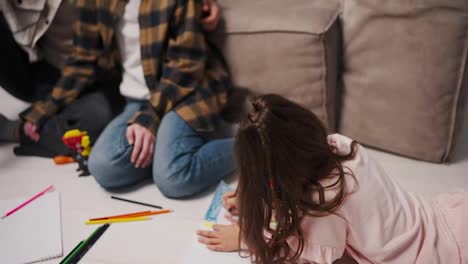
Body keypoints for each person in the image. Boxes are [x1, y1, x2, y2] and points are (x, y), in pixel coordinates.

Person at [197, 94, 468, 264]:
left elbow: (303, 252)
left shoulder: (323, 204)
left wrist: (250, 236)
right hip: (440, 221)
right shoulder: (339, 145)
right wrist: (251, 197)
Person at [29, 0, 233, 197]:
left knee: (174, 178)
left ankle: (253, 143)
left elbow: (187, 64)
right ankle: (176, 145)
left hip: (185, 92)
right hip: (138, 100)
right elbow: (83, 59)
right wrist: (45, 109)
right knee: (103, 167)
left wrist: (150, 118)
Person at [0, 0, 124, 157]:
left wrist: (43, 111)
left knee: (102, 117)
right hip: (47, 71)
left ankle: (19, 130)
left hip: (97, 73)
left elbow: (85, 60)